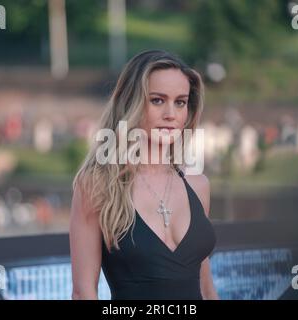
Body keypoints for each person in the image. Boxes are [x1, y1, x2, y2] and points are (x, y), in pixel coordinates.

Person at [70, 50, 218, 300]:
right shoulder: (97, 185)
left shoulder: (198, 185)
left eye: (180, 102)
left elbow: (206, 287)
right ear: (132, 104)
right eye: (157, 100)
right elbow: (83, 291)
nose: (171, 114)